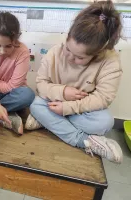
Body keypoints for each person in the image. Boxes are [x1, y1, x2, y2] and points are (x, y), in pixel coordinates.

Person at [25, 0, 123, 163]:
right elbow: (41, 83)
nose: (70, 58)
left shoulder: (111, 62)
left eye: (80, 57)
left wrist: (67, 108)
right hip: (52, 102)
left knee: (105, 122)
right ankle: (85, 141)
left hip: (82, 110)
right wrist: (62, 92)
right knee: (36, 105)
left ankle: (49, 122)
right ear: (68, 37)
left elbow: (103, 98)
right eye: (68, 49)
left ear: (97, 54)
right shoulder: (55, 52)